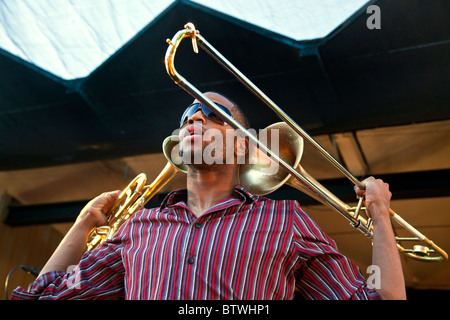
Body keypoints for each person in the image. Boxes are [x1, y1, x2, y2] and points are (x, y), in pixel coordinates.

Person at [11, 92, 406, 300]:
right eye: (188, 116)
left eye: (214, 113)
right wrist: (80, 228)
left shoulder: (286, 219)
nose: (195, 118)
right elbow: (47, 296)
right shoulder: (138, 226)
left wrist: (381, 217)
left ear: (242, 148)